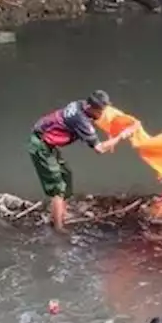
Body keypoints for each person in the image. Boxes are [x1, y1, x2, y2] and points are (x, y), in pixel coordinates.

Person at [30, 90, 122, 231]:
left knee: (66, 174)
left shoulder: (81, 105)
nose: (102, 114)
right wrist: (122, 136)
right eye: (101, 111)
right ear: (91, 108)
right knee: (58, 187)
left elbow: (98, 120)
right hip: (40, 144)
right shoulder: (80, 119)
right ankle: (58, 228)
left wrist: (111, 132)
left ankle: (62, 213)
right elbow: (99, 149)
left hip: (49, 143)